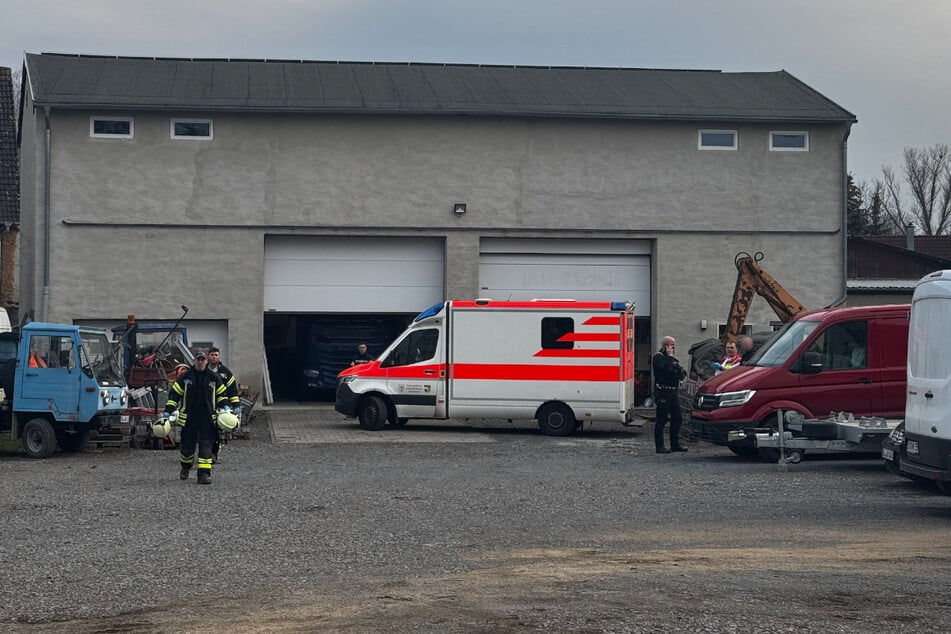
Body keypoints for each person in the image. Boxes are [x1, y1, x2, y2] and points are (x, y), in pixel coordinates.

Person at [163, 349, 228, 485]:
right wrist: (168, 410)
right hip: (189, 418)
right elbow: (174, 395)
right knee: (187, 448)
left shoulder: (213, 378)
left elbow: (221, 395)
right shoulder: (185, 377)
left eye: (202, 359)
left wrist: (225, 408)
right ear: (194, 361)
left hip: (207, 419)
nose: (200, 362)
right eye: (198, 359)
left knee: (206, 447)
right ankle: (185, 467)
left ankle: (204, 474)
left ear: (206, 361)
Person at [652, 336, 687, 453]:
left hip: (673, 392)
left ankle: (674, 444)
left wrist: (675, 366)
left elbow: (681, 373)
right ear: (665, 346)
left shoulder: (672, 359)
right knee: (661, 419)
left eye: (674, 346)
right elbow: (666, 369)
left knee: (677, 418)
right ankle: (659, 446)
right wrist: (670, 358)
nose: (673, 348)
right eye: (671, 345)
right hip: (662, 392)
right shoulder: (659, 357)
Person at [206, 346, 241, 463]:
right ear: (208, 356)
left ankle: (213, 454)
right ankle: (204, 452)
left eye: (216, 355)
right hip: (205, 406)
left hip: (221, 407)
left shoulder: (226, 373)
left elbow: (232, 391)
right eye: (212, 355)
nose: (214, 357)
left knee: (217, 432)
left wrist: (235, 406)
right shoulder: (201, 371)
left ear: (219, 356)